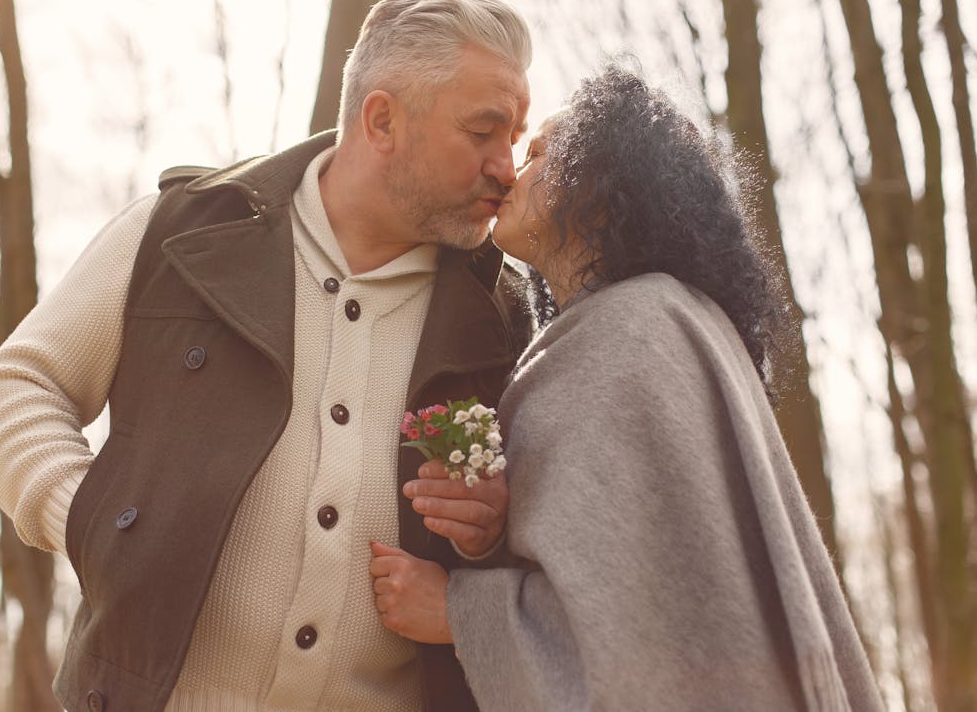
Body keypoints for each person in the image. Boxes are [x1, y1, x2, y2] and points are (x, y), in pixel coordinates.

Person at [0, 0, 534, 712]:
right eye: (484, 132)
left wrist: (488, 534)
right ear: (382, 119)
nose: (506, 168)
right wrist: (88, 518)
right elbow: (16, 387)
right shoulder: (175, 236)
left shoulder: (507, 317)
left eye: (514, 136)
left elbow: (553, 563)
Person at [370, 64, 885, 711]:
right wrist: (485, 530)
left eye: (538, 155)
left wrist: (454, 609)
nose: (508, 171)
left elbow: (653, 638)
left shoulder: (634, 332)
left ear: (600, 189)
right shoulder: (652, 323)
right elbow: (635, 575)